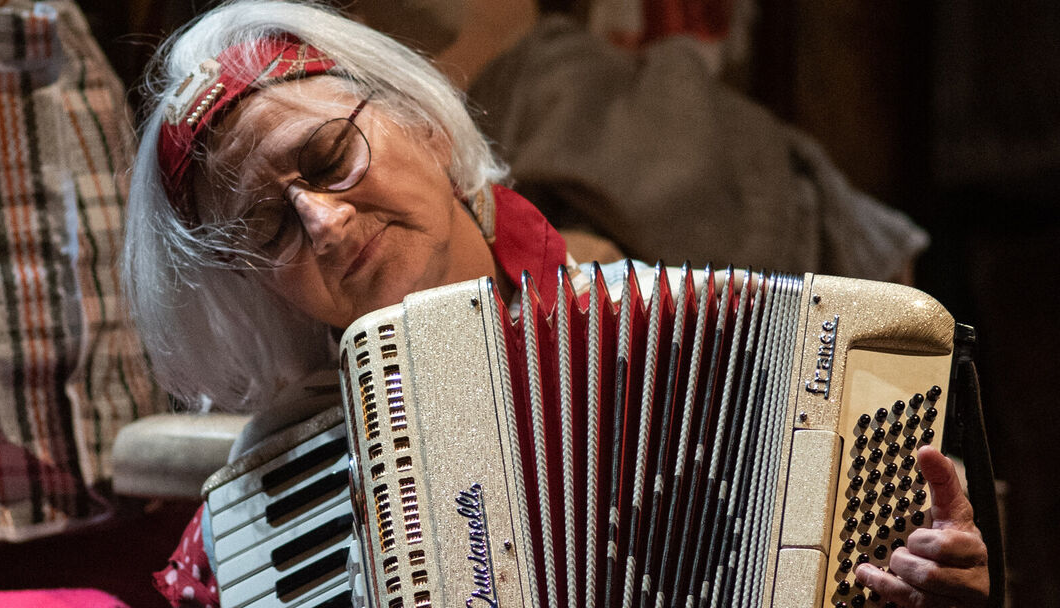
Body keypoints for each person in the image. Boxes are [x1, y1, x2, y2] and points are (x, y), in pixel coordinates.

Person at [120, 2, 989, 606]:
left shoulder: (680, 342)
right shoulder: (274, 511)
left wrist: (941, 588)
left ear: (422, 123)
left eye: (328, 158)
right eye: (267, 226)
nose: (322, 222)